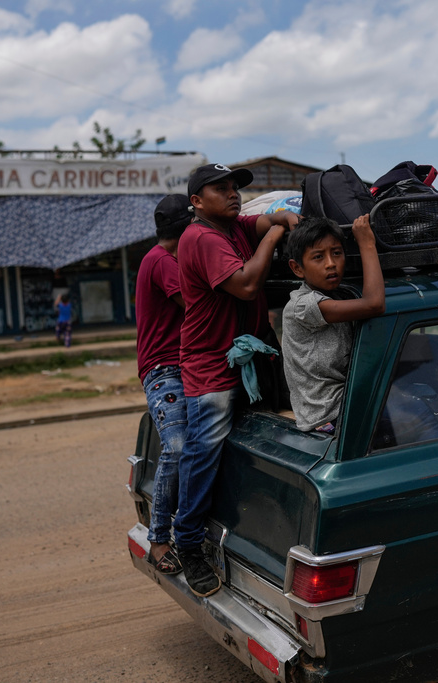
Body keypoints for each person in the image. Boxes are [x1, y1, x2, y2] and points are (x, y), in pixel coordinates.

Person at [175, 163, 299, 597]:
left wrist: (282, 217)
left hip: (247, 359)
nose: (232, 194)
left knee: (259, 444)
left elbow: (266, 218)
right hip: (211, 365)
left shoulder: (233, 227)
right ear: (196, 202)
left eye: (234, 188)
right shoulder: (202, 237)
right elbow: (246, 285)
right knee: (203, 452)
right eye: (220, 189)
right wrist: (273, 235)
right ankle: (188, 543)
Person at [281, 214, 385, 433]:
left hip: (349, 402)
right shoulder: (303, 305)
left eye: (337, 253)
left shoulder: (338, 295)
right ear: (297, 268)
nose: (331, 264)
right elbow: (374, 304)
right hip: (328, 414)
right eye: (318, 257)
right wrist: (366, 243)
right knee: (420, 417)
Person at [134, 194, 193, 576]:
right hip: (164, 369)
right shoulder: (162, 262)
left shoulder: (160, 259)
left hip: (178, 367)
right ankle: (158, 541)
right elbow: (196, 304)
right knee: (176, 447)